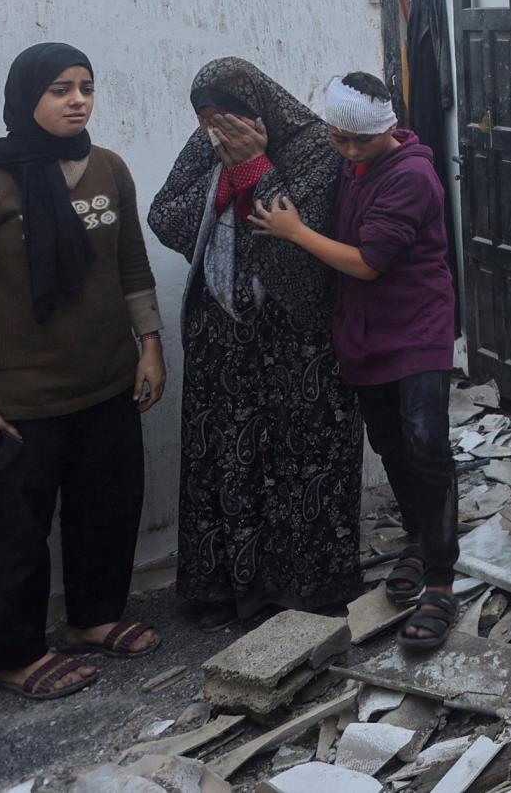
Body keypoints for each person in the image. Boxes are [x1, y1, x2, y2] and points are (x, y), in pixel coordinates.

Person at [0, 43, 165, 701]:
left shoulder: (110, 169)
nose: (77, 99)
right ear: (26, 97)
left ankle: (94, 617)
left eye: (86, 86)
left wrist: (149, 345)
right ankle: (17, 653)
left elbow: (131, 267)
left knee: (108, 509)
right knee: (17, 533)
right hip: (19, 399)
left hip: (106, 383)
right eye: (60, 88)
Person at [148, 59, 364, 629]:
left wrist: (255, 171)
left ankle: (306, 588)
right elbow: (165, 215)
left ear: (260, 104)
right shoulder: (207, 146)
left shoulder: (319, 148)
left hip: (299, 342)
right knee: (226, 461)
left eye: (228, 116)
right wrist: (227, 179)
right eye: (205, 118)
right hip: (223, 340)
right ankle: (224, 588)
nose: (218, 130)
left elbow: (301, 253)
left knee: (302, 461)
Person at [249, 71, 460, 650]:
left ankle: (441, 582)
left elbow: (369, 262)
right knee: (390, 441)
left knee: (426, 444)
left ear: (386, 129)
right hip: (364, 329)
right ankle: (419, 540)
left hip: (417, 326)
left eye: (357, 142)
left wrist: (292, 231)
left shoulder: (411, 176)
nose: (345, 152)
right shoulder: (347, 159)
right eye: (337, 140)